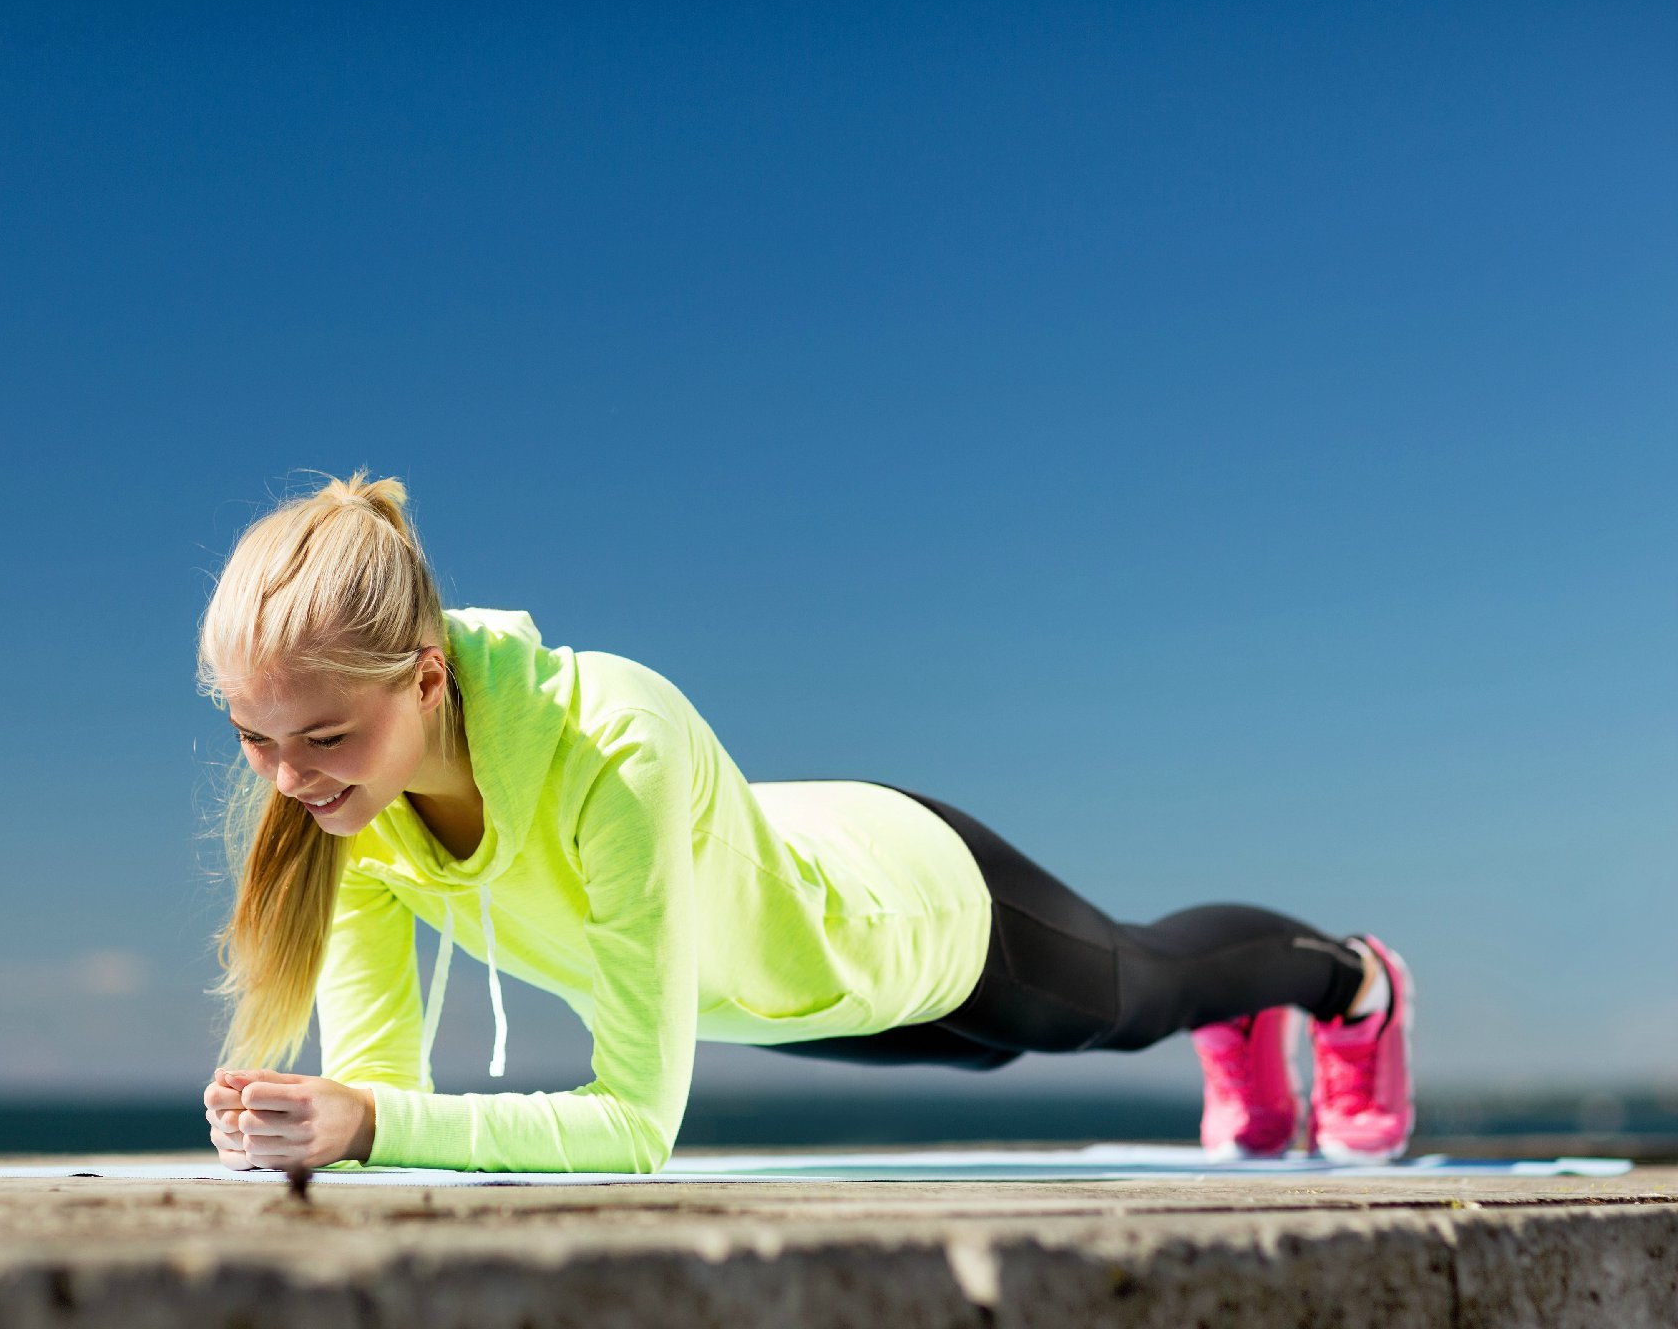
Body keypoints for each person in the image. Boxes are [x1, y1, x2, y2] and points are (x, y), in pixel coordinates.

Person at [197, 469, 1414, 1174]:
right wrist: (310, 1118)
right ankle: (1239, 1010)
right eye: (258, 737)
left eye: (322, 736)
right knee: (989, 1054)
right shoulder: (357, 814)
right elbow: (377, 1095)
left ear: (421, 676)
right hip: (775, 994)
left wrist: (364, 1123)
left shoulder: (613, 735)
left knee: (1130, 994)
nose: (291, 776)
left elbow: (634, 1128)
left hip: (909, 907)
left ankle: (1347, 985)